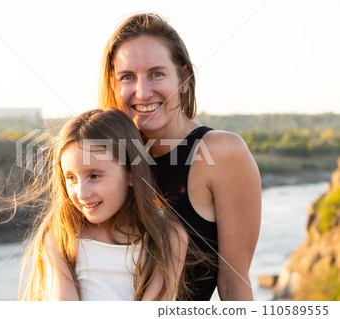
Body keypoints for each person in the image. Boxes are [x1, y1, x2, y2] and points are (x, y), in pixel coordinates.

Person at [98, 13, 262, 300]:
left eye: (156, 74)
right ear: (113, 85)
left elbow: (234, 286)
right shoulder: (106, 157)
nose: (143, 91)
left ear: (184, 79)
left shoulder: (222, 153)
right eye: (127, 77)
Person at [18, 109, 202, 301]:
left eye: (95, 176)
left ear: (131, 173)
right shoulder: (62, 236)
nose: (81, 193)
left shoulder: (168, 236)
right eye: (71, 178)